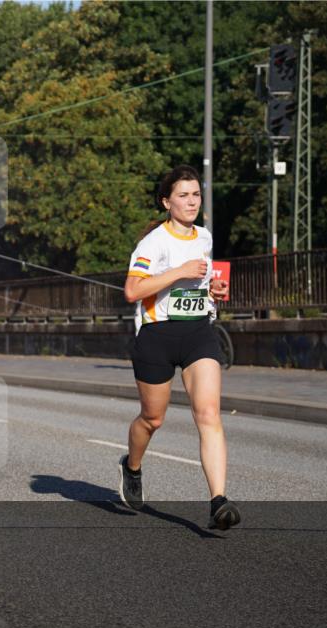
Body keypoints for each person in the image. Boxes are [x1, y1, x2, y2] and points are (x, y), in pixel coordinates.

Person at [120, 164, 239, 530]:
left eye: (196, 194)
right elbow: (132, 291)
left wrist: (213, 291)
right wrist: (179, 272)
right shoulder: (153, 243)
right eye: (183, 195)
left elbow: (202, 284)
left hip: (198, 333)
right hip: (157, 336)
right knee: (153, 418)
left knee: (209, 414)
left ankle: (218, 500)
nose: (192, 202)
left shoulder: (204, 237)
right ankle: (132, 466)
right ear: (166, 202)